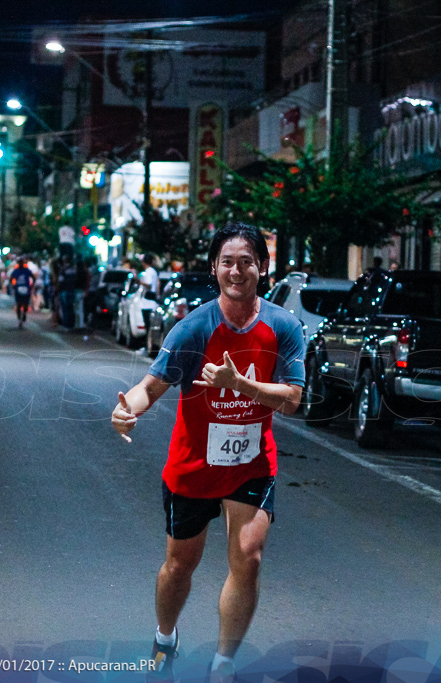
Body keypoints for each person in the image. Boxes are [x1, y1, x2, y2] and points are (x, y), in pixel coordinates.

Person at [111, 223, 306, 683]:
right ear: (215, 268)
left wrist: (239, 384)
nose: (236, 271)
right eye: (226, 262)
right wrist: (127, 412)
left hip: (252, 462)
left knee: (248, 555)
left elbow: (293, 399)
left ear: (262, 267)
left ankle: (223, 664)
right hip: (194, 464)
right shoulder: (193, 329)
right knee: (181, 563)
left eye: (246, 262)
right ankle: (164, 638)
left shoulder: (283, 326)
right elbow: (149, 387)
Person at [9, 258, 35, 328]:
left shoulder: (27, 271)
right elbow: (11, 278)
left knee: (25, 304)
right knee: (19, 304)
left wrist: (31, 285)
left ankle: (24, 314)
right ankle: (19, 319)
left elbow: (33, 277)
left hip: (26, 288)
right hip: (18, 289)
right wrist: (13, 285)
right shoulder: (16, 271)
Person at [57, 253, 78, 330]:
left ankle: (66, 325)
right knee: (71, 307)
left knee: (65, 308)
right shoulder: (74, 269)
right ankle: (71, 324)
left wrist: (58, 289)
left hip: (65, 291)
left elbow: (60, 280)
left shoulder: (63, 269)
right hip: (72, 290)